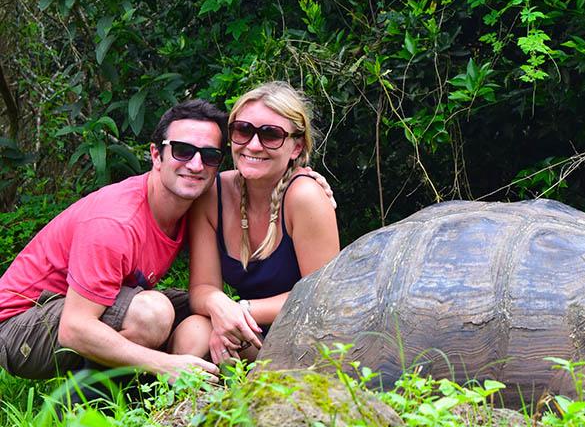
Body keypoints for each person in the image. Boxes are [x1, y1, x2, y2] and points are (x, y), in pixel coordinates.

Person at [0, 100, 227, 382]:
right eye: (182, 151)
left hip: (92, 303)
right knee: (152, 314)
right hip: (22, 325)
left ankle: (161, 395)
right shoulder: (115, 221)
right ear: (156, 155)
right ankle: (85, 403)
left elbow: (250, 184)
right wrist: (164, 364)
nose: (195, 165)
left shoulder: (193, 204)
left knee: (205, 313)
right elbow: (74, 328)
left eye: (209, 156)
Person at [171, 82, 339, 365]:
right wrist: (220, 308)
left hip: (306, 334)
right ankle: (196, 404)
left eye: (271, 135)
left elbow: (322, 296)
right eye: (243, 130)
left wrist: (241, 310)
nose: (253, 145)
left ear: (296, 147)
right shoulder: (214, 194)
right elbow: (202, 288)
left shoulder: (304, 196)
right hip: (251, 328)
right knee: (194, 331)